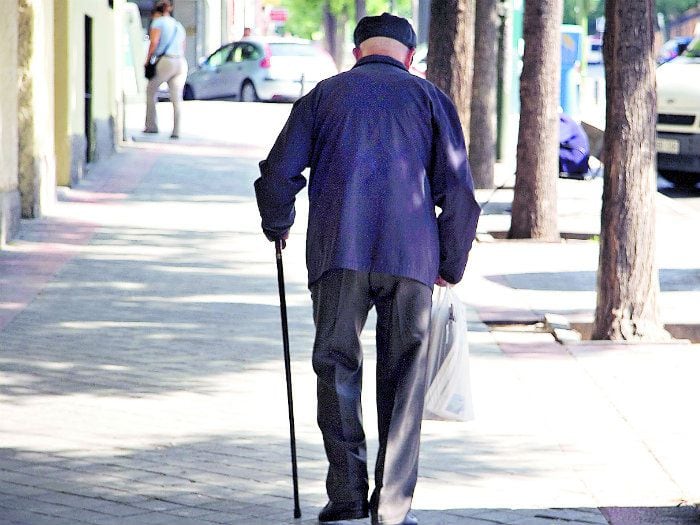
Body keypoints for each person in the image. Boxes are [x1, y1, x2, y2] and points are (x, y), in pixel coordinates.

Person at [254, 13, 480, 525]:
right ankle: (393, 509)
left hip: (339, 254)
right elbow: (460, 194)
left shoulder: (324, 96)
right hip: (411, 260)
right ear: (409, 56)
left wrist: (278, 222)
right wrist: (450, 263)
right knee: (404, 382)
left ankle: (347, 496)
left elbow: (278, 172)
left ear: (357, 52)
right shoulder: (429, 99)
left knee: (336, 368)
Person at [144, 0, 187, 139]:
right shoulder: (178, 25)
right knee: (176, 98)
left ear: (156, 12)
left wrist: (147, 59)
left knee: (151, 91)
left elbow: (154, 42)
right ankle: (177, 131)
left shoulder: (158, 22)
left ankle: (152, 126)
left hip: (166, 60)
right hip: (180, 61)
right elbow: (183, 46)